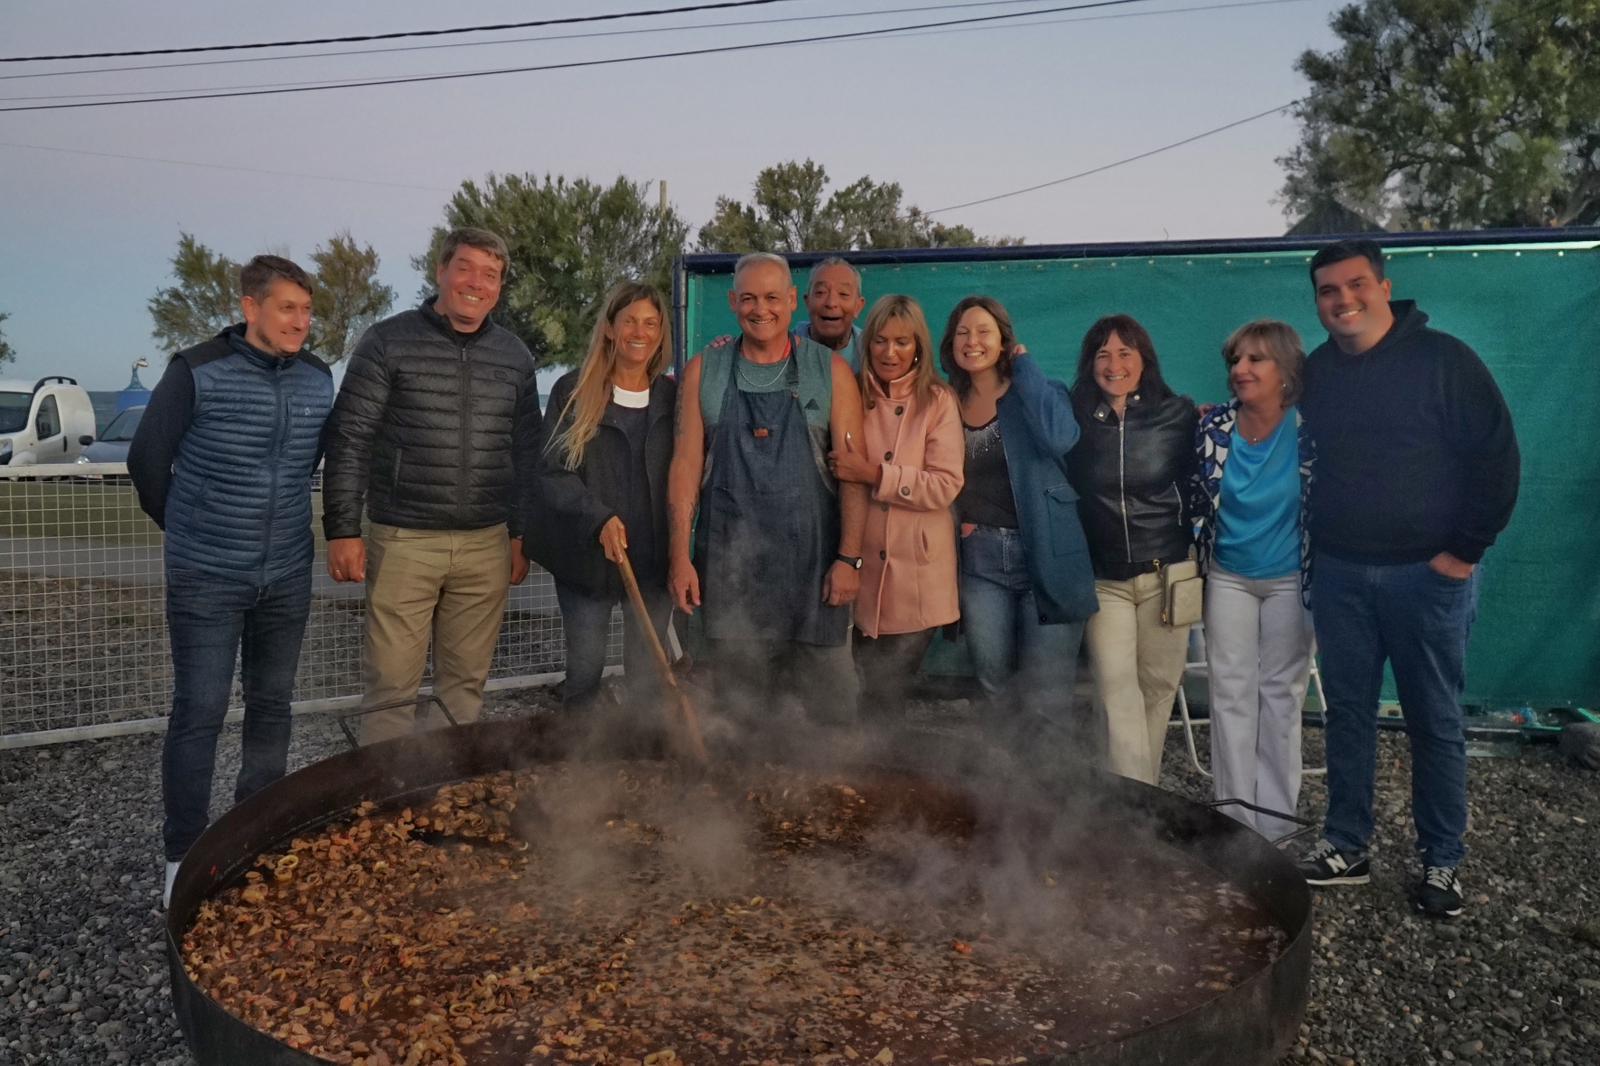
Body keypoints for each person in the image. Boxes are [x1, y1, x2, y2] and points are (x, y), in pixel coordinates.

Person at [1293, 240, 1520, 919]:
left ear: (1385, 287)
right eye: (1328, 291)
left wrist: (1463, 551)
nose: (1343, 300)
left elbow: (1498, 457)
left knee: (1435, 720)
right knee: (1350, 716)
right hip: (1340, 574)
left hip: (1428, 579)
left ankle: (1442, 860)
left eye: (1355, 284)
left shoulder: (1445, 361)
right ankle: (1346, 844)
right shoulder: (1318, 372)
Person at [128, 255, 333, 907]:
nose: (300, 322)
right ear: (250, 308)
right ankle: (182, 855)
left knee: (272, 707)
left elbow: (312, 462)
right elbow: (147, 461)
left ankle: (258, 833)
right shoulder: (196, 370)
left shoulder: (317, 378)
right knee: (201, 711)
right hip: (207, 576)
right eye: (286, 309)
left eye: (306, 310)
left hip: (287, 575)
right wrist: (193, 531)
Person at [321, 227, 541, 745]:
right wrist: (342, 529)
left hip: (486, 542)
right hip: (403, 541)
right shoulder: (387, 341)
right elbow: (350, 435)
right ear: (440, 271)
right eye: (465, 268)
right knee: (392, 686)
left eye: (491, 275)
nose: (476, 283)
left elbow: (527, 454)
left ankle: (443, 793)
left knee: (464, 686)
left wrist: (520, 535)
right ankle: (384, 805)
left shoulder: (514, 357)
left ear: (500, 287)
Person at [667, 252, 866, 726]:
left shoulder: (831, 372)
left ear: (792, 301)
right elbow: (685, 467)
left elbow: (853, 475)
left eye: (773, 298)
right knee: (740, 717)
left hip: (815, 579)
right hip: (730, 579)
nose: (762, 309)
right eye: (750, 298)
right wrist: (679, 556)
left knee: (832, 716)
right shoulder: (704, 370)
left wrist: (849, 560)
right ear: (733, 302)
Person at [943, 296, 1097, 762]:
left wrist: (1024, 368)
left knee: (1046, 700)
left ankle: (1046, 814)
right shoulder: (946, 401)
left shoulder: (1038, 389)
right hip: (981, 561)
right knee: (994, 690)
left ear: (1004, 339)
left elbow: (1060, 438)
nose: (973, 341)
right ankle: (1004, 803)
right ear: (951, 344)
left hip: (1045, 556)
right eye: (963, 332)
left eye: (984, 331)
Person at [524, 282, 675, 713]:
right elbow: (553, 473)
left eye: (650, 323)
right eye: (629, 321)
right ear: (610, 328)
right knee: (586, 671)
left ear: (661, 332)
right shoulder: (574, 391)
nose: (639, 332)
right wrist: (599, 518)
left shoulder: (671, 397)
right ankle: (581, 766)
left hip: (652, 561)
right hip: (585, 562)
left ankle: (644, 763)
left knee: (648, 674)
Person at [1192, 320, 1316, 840]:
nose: (1240, 370)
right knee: (1230, 694)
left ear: (1286, 371)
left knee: (1281, 696)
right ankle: (1234, 821)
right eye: (1236, 361)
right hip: (1228, 578)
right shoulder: (1211, 426)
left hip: (1291, 579)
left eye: (1255, 360)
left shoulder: (1314, 429)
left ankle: (1277, 827)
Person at [1067, 314, 1199, 786]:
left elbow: (1203, 479)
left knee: (1158, 689)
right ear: (1089, 363)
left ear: (1145, 359)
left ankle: (1142, 796)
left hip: (1171, 574)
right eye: (1103, 354)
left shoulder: (1178, 413)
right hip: (1106, 578)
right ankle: (1135, 808)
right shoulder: (1074, 414)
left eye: (1126, 352)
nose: (1115, 364)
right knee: (1116, 691)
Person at [828, 294, 963, 718]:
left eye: (902, 342)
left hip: (917, 580)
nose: (890, 352)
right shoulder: (849, 391)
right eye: (881, 341)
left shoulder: (938, 401)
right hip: (859, 571)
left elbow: (945, 485)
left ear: (919, 347)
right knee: (859, 689)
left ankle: (881, 775)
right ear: (867, 345)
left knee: (887, 694)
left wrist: (875, 476)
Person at [795, 256, 867, 370]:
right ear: (807, 302)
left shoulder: (872, 352)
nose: (831, 303)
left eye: (843, 294)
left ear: (858, 306)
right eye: (821, 292)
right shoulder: (784, 349)